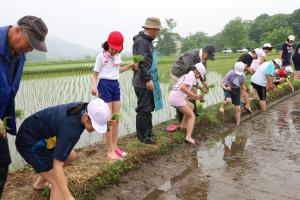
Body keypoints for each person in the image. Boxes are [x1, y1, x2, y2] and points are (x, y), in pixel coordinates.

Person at [15, 99, 111, 200]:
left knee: (71, 156)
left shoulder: (84, 108)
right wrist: (68, 197)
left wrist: (104, 123)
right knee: (60, 184)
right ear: (86, 116)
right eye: (95, 125)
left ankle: (39, 184)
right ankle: (52, 183)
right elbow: (57, 165)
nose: (95, 129)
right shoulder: (71, 129)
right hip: (29, 142)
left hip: (42, 136)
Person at [0, 16, 48, 197]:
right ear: (18, 30)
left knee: (2, 162)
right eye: (30, 43)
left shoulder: (19, 55)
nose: (30, 49)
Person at [91, 31, 136, 161]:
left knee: (116, 118)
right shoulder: (101, 56)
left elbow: (116, 71)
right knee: (109, 119)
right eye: (112, 49)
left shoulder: (117, 57)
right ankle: (110, 152)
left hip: (115, 86)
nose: (113, 51)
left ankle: (115, 147)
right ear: (107, 45)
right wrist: (94, 87)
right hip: (104, 86)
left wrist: (128, 66)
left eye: (117, 49)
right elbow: (95, 74)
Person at [132, 17, 162, 144]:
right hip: (142, 81)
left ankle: (147, 132)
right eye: (157, 30)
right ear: (150, 29)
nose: (158, 32)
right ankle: (143, 136)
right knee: (144, 108)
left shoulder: (147, 41)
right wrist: (148, 79)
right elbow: (141, 63)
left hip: (146, 80)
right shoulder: (141, 42)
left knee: (148, 107)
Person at [170, 45, 216, 121]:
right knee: (181, 94)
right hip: (178, 73)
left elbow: (202, 71)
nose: (208, 59)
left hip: (189, 74)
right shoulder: (191, 56)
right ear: (205, 53)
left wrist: (204, 82)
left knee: (193, 92)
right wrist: (199, 86)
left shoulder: (203, 59)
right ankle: (180, 117)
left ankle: (193, 112)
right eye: (208, 57)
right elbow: (188, 75)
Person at [168, 63, 206, 144]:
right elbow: (183, 87)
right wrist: (195, 96)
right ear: (197, 72)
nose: (199, 77)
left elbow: (193, 85)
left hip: (173, 96)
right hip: (177, 98)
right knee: (192, 116)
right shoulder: (191, 76)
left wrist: (200, 87)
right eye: (200, 76)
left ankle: (183, 126)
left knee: (191, 106)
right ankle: (188, 137)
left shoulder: (188, 75)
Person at [237, 48, 263, 114]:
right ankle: (247, 105)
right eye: (257, 56)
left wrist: (251, 70)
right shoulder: (250, 57)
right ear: (254, 53)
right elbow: (244, 67)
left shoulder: (245, 55)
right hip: (238, 74)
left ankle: (242, 102)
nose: (256, 58)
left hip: (235, 72)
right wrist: (251, 72)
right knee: (243, 89)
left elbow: (246, 66)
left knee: (243, 89)